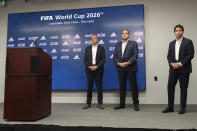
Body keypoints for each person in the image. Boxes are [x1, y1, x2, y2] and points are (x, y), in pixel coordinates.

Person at [162, 24, 194, 114]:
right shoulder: (171, 43)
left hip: (184, 68)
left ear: (182, 32)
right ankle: (170, 107)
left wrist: (180, 64)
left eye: (180, 30)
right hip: (173, 68)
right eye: (176, 30)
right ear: (174, 32)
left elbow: (190, 55)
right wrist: (172, 64)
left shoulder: (188, 42)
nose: (178, 32)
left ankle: (182, 108)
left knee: (183, 87)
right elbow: (168, 56)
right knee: (170, 86)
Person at [113, 29, 139, 111]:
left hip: (131, 67)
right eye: (123, 33)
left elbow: (135, 55)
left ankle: (136, 104)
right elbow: (114, 57)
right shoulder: (117, 44)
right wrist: (118, 63)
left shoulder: (133, 43)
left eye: (126, 33)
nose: (124, 34)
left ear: (128, 35)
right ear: (121, 35)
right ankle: (122, 104)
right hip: (120, 68)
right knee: (122, 87)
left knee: (133, 86)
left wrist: (128, 62)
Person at [82, 34, 105, 109]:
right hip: (89, 70)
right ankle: (88, 103)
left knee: (99, 87)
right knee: (89, 87)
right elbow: (85, 60)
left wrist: (97, 66)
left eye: (94, 38)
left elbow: (103, 59)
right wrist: (89, 66)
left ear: (97, 39)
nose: (93, 39)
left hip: (98, 70)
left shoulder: (102, 48)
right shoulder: (87, 48)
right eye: (92, 38)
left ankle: (100, 103)